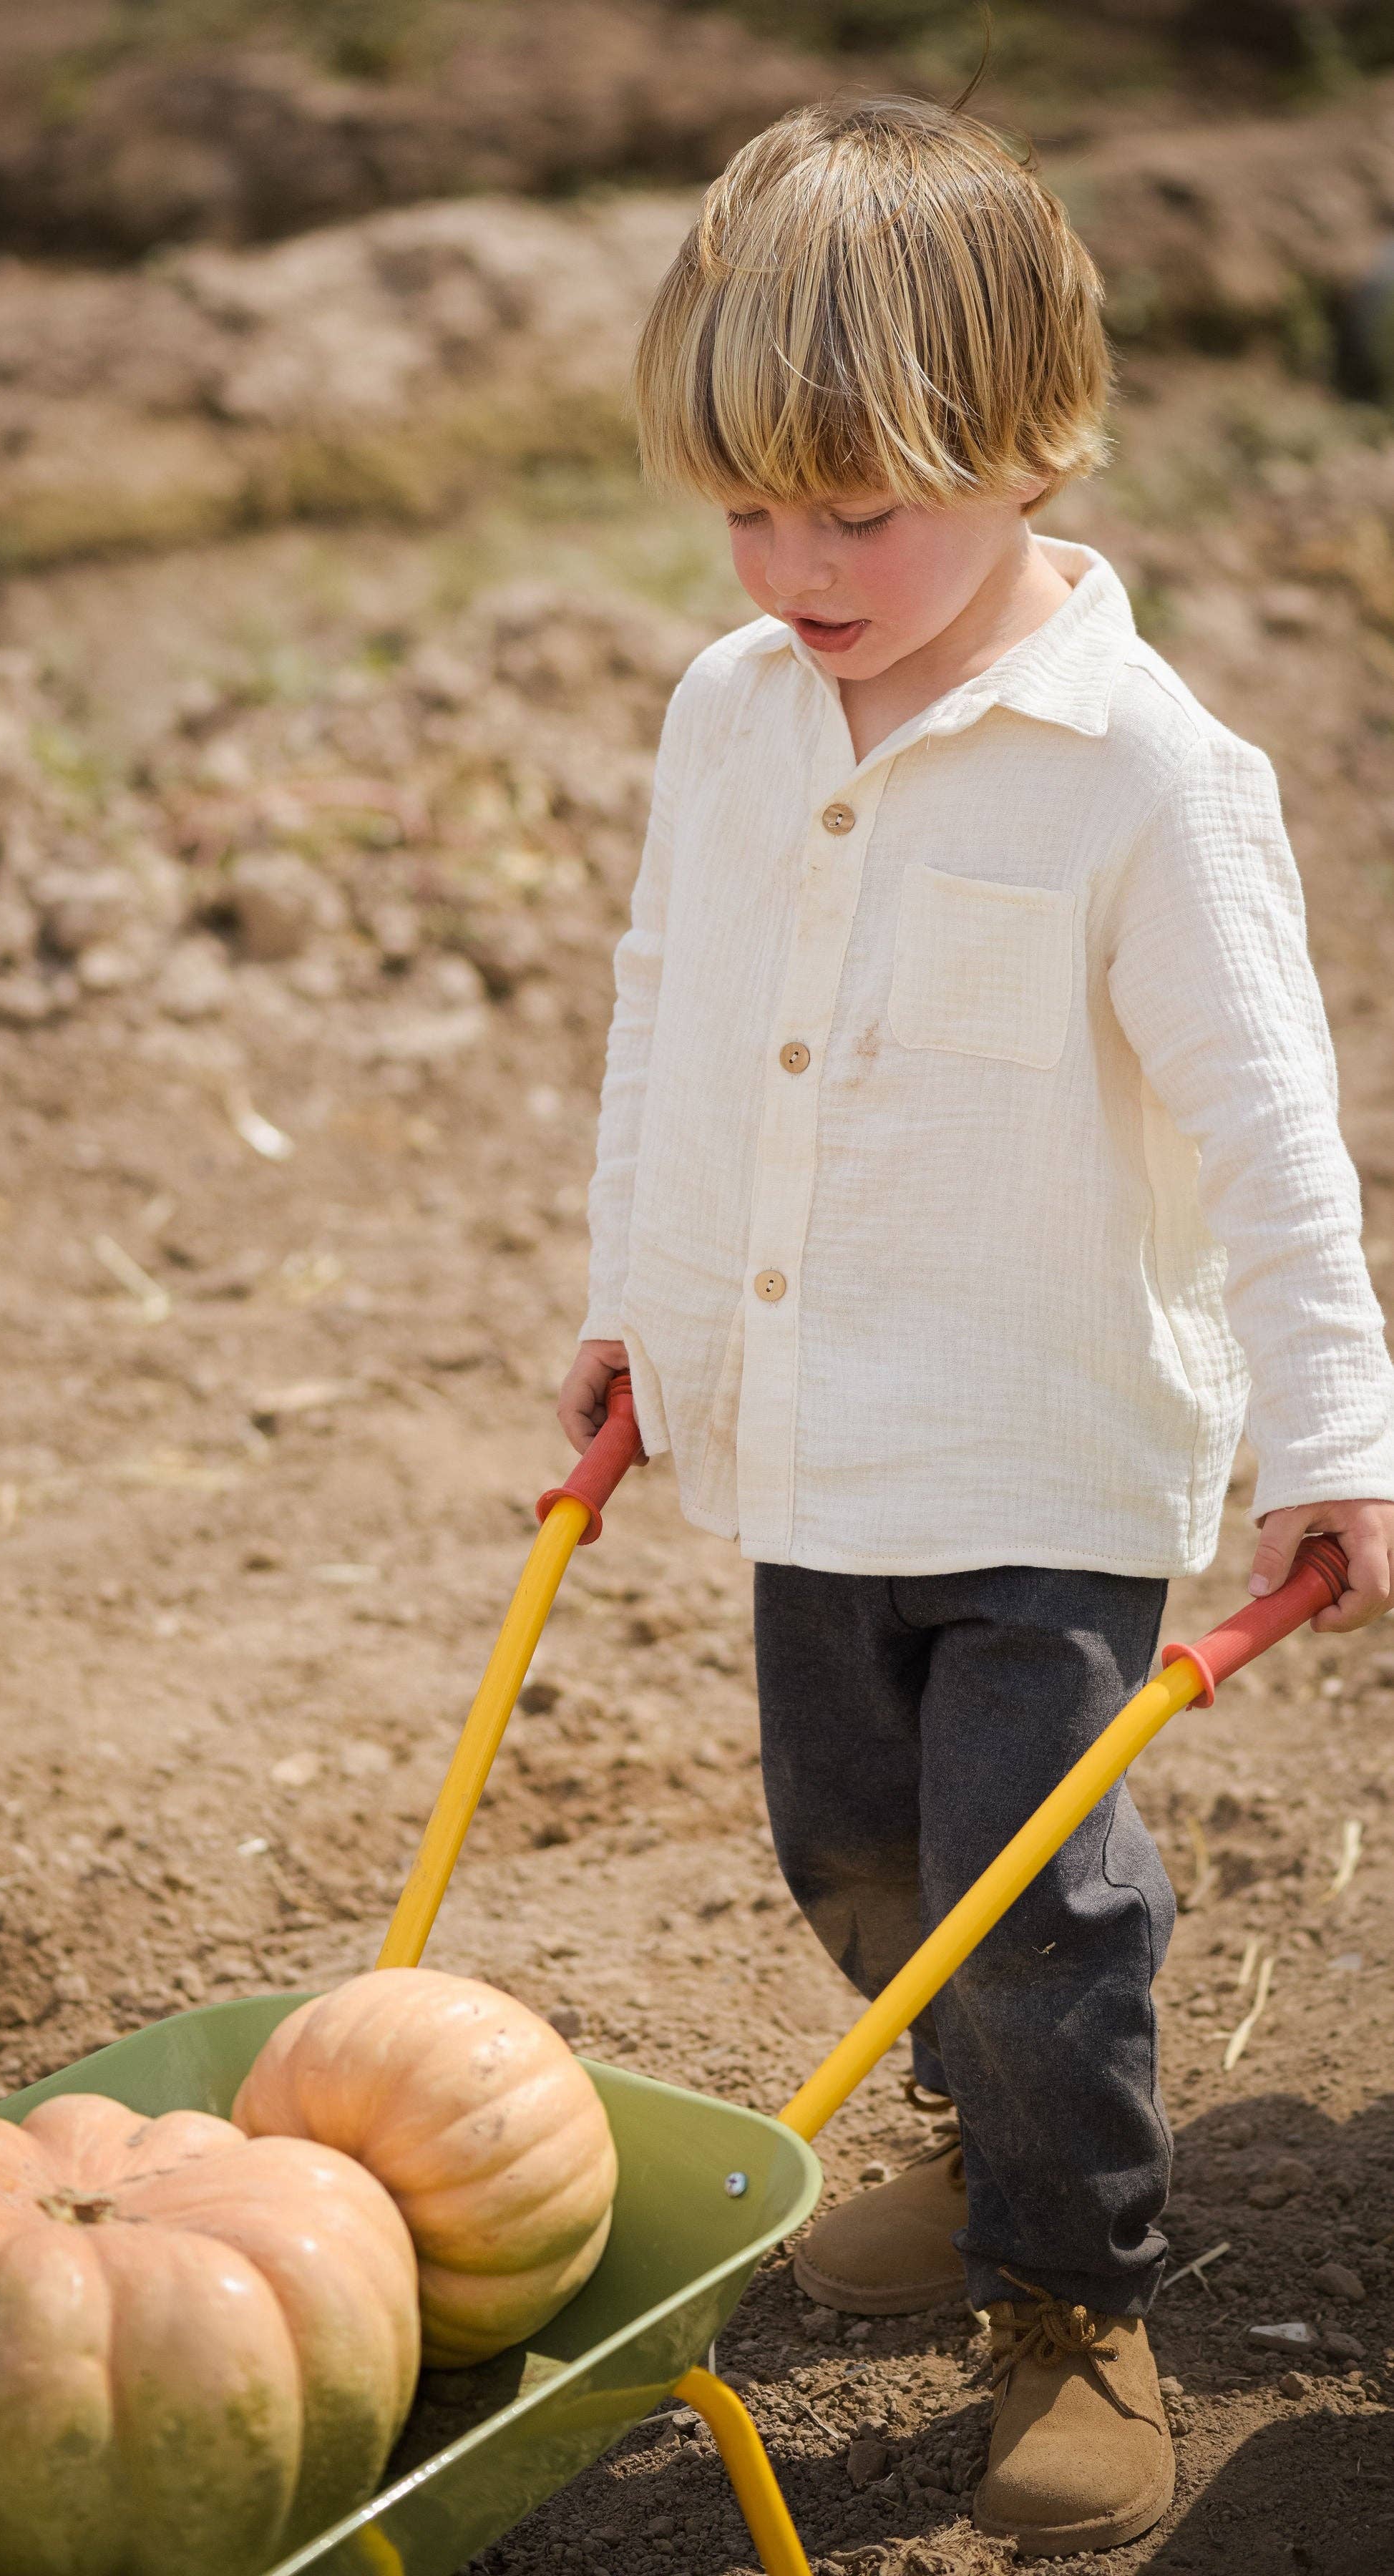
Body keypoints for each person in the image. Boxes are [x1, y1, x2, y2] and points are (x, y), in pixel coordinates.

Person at [557, 96, 1394, 2560]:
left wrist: (1334, 1432)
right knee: (848, 1852)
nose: (791, 569)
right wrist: (630, 1306)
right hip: (807, 1438)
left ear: (1033, 445)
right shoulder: (728, 710)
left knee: (1035, 1907)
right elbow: (664, 1011)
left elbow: (1269, 1130)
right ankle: (971, 2133)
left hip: (1037, 1454)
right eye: (745, 510)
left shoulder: (1147, 775)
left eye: (856, 512)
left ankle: (1068, 2289)